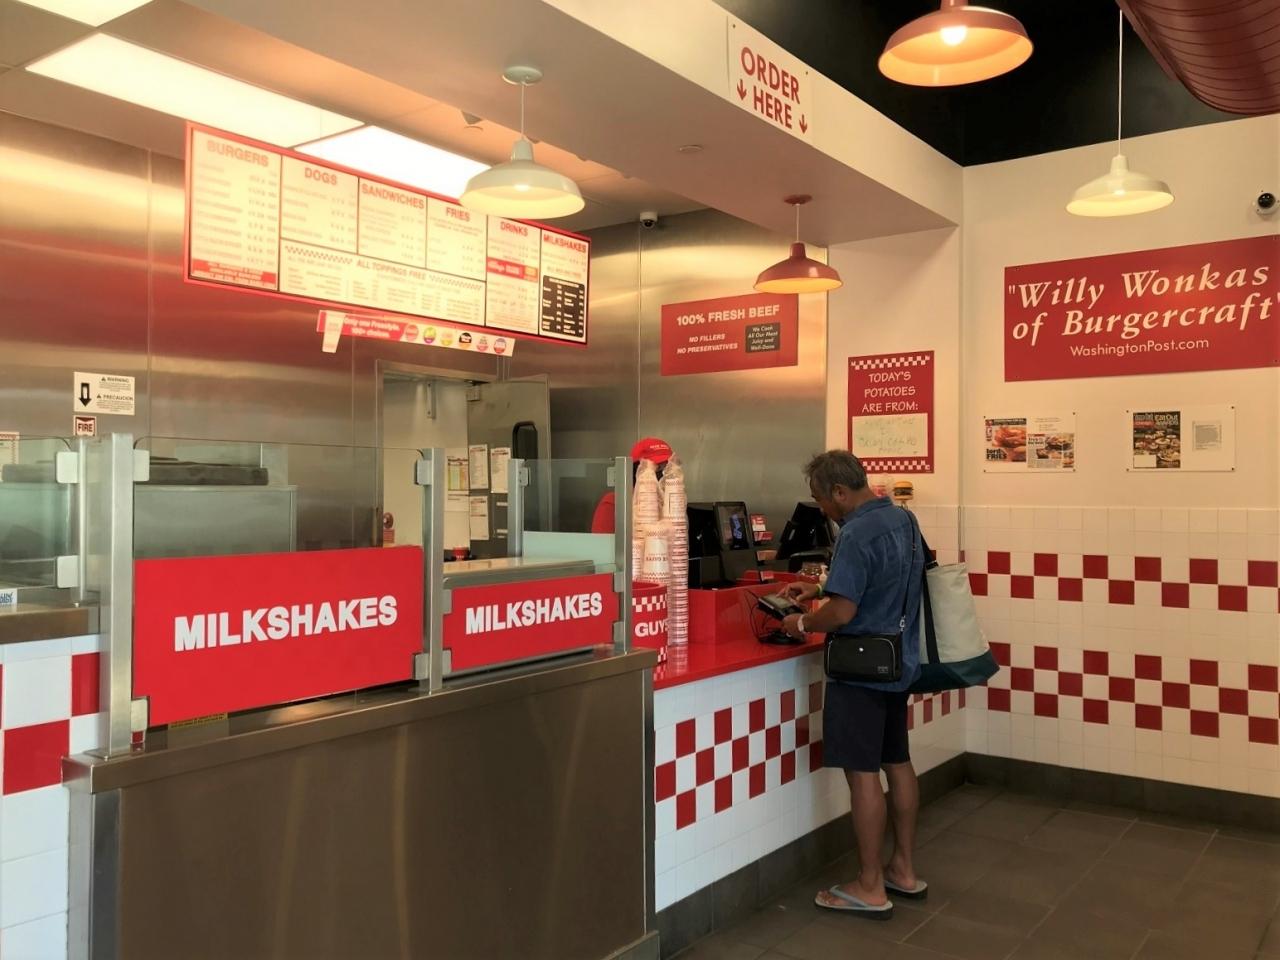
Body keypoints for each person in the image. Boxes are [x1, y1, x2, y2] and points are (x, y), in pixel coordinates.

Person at [777, 450, 926, 920]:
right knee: (897, 762)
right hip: (897, 663)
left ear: (839, 492)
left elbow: (843, 614)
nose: (822, 508)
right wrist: (821, 589)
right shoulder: (902, 519)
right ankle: (902, 870)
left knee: (862, 775)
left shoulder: (856, 532)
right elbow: (893, 579)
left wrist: (802, 622)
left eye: (821, 499)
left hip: (860, 670)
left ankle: (869, 886)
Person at [589, 437, 673, 534]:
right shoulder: (616, 503)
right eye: (657, 468)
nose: (664, 474)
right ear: (637, 470)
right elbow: (602, 542)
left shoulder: (672, 504)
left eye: (668, 468)